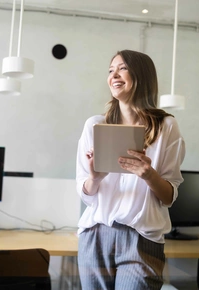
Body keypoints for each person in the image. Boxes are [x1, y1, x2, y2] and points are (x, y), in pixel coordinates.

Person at [76, 49, 185, 290]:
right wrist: (94, 178)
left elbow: (169, 197)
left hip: (142, 238)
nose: (114, 74)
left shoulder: (166, 126)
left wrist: (149, 175)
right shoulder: (94, 125)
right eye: (110, 70)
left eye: (122, 68)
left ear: (141, 75)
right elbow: (85, 193)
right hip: (95, 235)